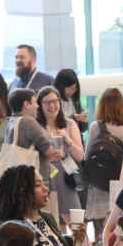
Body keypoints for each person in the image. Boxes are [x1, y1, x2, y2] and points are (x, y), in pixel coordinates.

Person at [0, 163, 68, 246]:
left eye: (43, 183)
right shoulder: (12, 228)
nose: (45, 189)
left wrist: (77, 240)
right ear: (21, 191)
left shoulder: (47, 217)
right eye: (38, 185)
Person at [83, 87, 123, 237]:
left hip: (99, 187)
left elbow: (87, 157)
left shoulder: (96, 127)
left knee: (101, 235)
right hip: (122, 188)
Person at [36, 84, 85, 225]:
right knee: (53, 225)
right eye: (47, 102)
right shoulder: (36, 127)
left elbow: (80, 155)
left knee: (76, 226)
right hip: (46, 179)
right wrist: (49, 157)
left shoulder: (69, 124)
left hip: (66, 178)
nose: (52, 106)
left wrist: (67, 139)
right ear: (40, 104)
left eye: (55, 101)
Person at [3, 87, 66, 191]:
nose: (37, 106)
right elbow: (49, 152)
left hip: (17, 181)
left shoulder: (12, 122)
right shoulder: (28, 121)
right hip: (35, 183)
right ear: (26, 104)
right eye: (35, 102)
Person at [53, 67, 88, 133]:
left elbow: (81, 129)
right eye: (69, 88)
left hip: (75, 139)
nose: (71, 92)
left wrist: (84, 121)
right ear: (60, 86)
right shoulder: (52, 101)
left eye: (74, 88)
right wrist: (73, 119)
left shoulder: (74, 100)